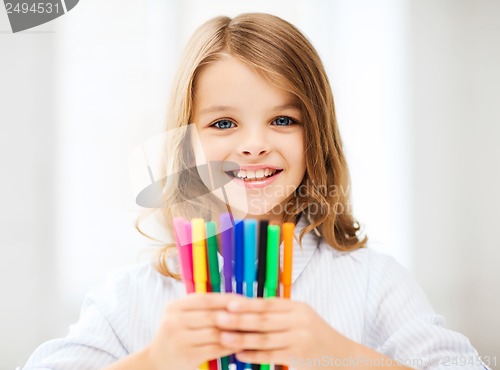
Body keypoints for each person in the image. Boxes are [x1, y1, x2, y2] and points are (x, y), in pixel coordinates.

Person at [23, 13, 490, 370]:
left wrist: (343, 356)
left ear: (316, 138)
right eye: (223, 123)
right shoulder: (132, 296)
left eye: (283, 120)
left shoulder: (372, 282)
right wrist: (154, 361)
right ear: (187, 143)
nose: (253, 145)